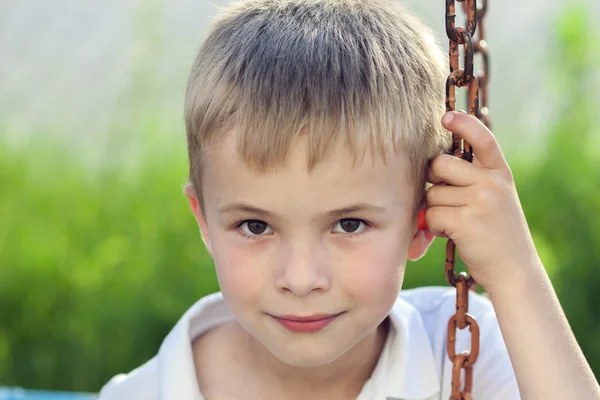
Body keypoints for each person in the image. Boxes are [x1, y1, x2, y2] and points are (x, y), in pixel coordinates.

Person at [98, 0, 600, 399]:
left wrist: (514, 273)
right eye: (255, 226)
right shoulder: (147, 392)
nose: (300, 279)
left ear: (422, 222)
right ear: (203, 221)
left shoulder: (467, 352)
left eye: (349, 225)